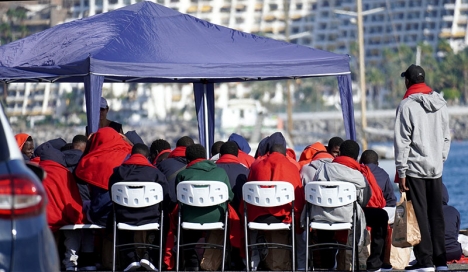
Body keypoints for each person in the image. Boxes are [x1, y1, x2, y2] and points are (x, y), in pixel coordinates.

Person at [395, 64, 451, 271]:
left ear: (407, 81)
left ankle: (425, 261)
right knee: (437, 213)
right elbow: (447, 137)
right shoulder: (441, 103)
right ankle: (441, 262)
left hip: (415, 168)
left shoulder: (406, 106)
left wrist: (401, 171)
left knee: (419, 214)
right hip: (435, 168)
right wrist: (439, 158)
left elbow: (402, 142)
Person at [312, 140, 389, 272]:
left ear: (339, 153)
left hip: (321, 215)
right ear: (356, 157)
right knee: (381, 216)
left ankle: (327, 263)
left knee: (326, 216)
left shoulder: (323, 169)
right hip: (349, 216)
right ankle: (374, 263)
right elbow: (364, 200)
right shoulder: (358, 175)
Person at [108, 143, 174, 272]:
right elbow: (166, 198)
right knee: (164, 218)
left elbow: (112, 195)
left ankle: (130, 258)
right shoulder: (156, 174)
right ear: (147, 157)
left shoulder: (117, 172)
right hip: (151, 218)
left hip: (124, 216)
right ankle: (150, 257)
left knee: (116, 218)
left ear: (131, 155)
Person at [35, 141, 95, 271]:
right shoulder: (63, 173)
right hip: (60, 216)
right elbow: (71, 199)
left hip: (39, 218)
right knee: (74, 231)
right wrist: (78, 216)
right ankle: (70, 263)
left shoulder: (35, 173)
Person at [245, 143, 305, 271]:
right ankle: (301, 265)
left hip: (257, 218)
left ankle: (253, 260)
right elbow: (298, 199)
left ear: (268, 152)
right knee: (301, 219)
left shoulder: (256, 166)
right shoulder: (291, 167)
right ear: (285, 154)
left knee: (246, 214)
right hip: (283, 218)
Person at [174, 144, 233, 271]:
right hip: (217, 219)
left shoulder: (182, 175)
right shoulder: (220, 173)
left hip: (189, 219)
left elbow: (178, 200)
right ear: (205, 157)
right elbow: (230, 196)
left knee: (184, 216)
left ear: (187, 160)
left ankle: (191, 261)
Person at [359, 149, 397, 221]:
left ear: (361, 162)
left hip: (361, 212)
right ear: (377, 163)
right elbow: (391, 200)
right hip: (378, 212)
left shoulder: (357, 172)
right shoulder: (384, 174)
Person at [215, 141, 249, 212]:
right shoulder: (245, 171)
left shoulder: (211, 170)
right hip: (239, 215)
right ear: (237, 156)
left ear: (220, 155)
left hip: (216, 213)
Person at [441, 183, 463, 263]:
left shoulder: (428, 212)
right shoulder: (454, 211)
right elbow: (456, 234)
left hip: (437, 254)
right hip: (455, 252)